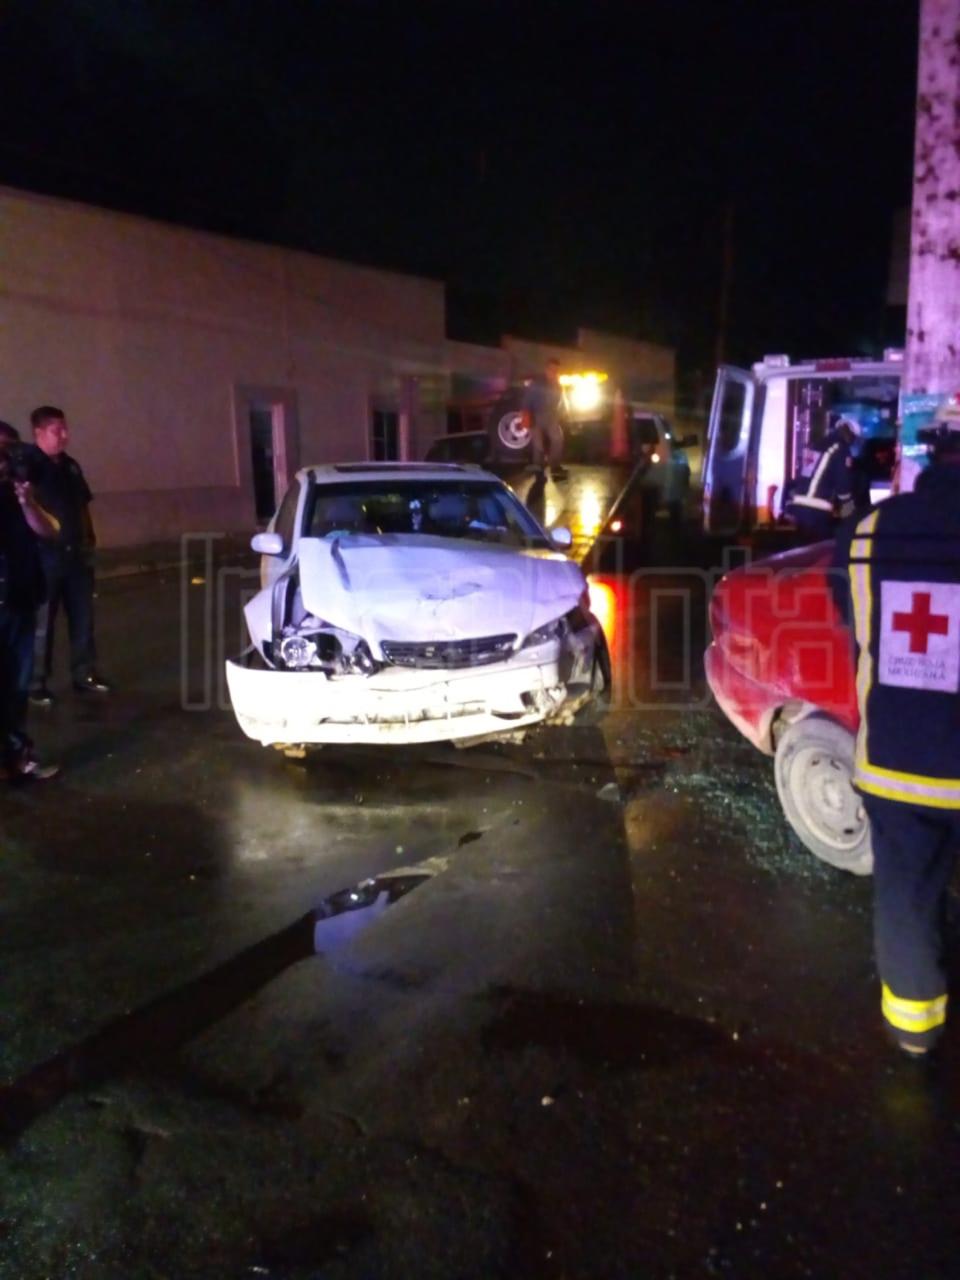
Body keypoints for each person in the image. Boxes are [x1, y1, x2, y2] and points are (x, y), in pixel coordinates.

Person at [833, 396, 960, 1057]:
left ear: (933, 454)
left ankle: (914, 1030)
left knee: (907, 895)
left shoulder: (872, 530)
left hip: (897, 757)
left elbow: (854, 620)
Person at [28, 406, 110, 705]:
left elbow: (82, 506)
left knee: (82, 618)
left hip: (76, 557)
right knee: (41, 624)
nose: (64, 436)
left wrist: (89, 540)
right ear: (38, 432)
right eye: (56, 430)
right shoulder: (30, 468)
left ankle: (84, 673)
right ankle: (36, 683)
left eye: (65, 429)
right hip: (44, 558)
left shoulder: (70, 467)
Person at [0, 422, 60, 780]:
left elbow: (48, 531)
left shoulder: (17, 492)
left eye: (9, 450)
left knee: (16, 687)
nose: (6, 458)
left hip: (19, 601)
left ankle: (18, 758)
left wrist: (27, 501)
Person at [786, 414, 861, 541]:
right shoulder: (840, 449)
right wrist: (849, 515)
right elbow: (843, 485)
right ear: (852, 436)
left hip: (797, 506)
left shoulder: (818, 444)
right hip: (815, 511)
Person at [521, 358, 567, 478]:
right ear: (546, 369)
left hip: (551, 416)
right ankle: (538, 466)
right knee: (538, 443)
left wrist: (560, 414)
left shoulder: (557, 384)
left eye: (556, 370)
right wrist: (526, 415)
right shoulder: (537, 383)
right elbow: (527, 400)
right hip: (536, 415)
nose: (554, 372)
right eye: (552, 369)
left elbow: (559, 401)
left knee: (558, 438)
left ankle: (555, 465)